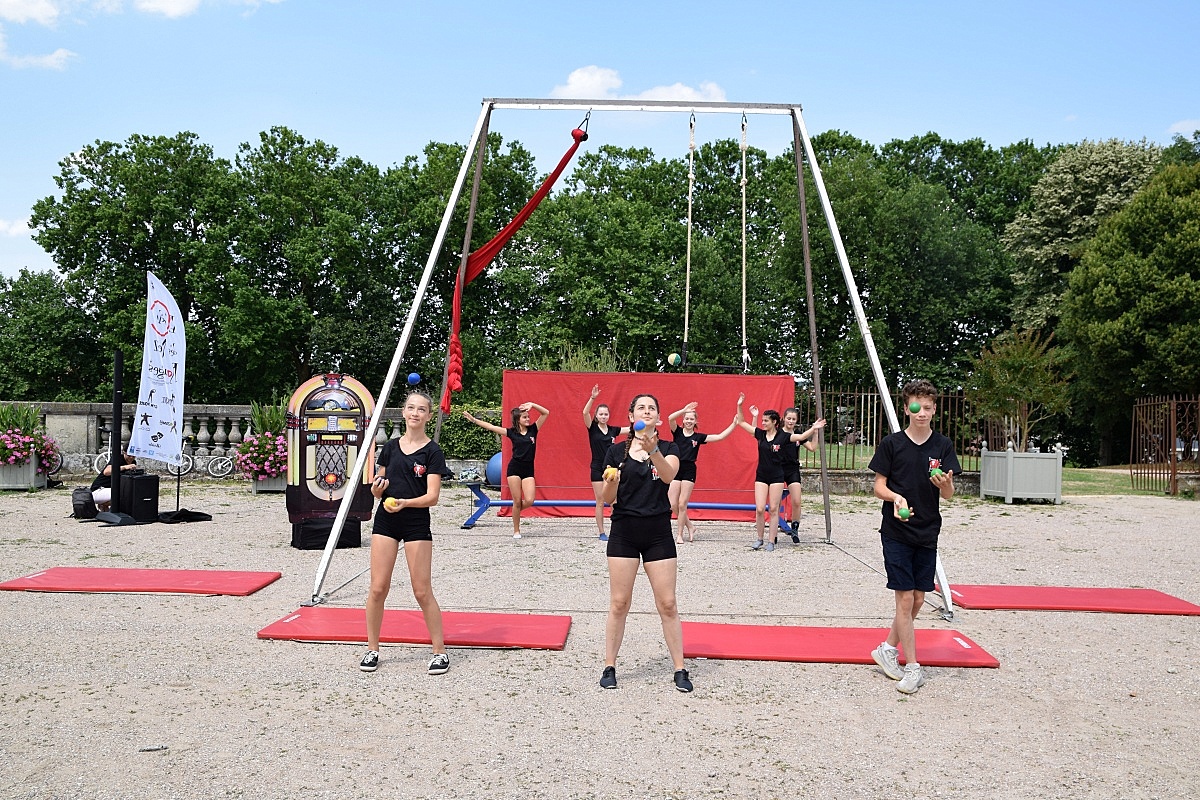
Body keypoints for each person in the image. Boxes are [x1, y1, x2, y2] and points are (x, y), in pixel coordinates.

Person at [867, 379, 961, 695]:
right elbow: (878, 486)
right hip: (896, 532)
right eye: (916, 407)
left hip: (928, 530)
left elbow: (948, 494)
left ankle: (887, 648)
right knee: (905, 599)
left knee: (919, 599)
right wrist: (895, 497)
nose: (922, 413)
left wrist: (945, 485)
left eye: (928, 407)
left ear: (934, 410)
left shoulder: (942, 446)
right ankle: (912, 667)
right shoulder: (892, 444)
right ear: (907, 409)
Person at [599, 393, 692, 693]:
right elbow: (607, 499)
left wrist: (653, 451)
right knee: (619, 603)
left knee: (668, 603)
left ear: (659, 418)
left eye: (652, 408)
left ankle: (680, 668)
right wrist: (611, 482)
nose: (647, 411)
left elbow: (668, 476)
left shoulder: (669, 448)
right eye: (641, 408)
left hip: (657, 533)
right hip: (624, 532)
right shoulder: (616, 451)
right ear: (631, 417)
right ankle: (610, 666)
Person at [360, 390, 453, 675]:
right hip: (386, 521)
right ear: (403, 412)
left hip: (415, 522)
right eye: (411, 408)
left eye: (421, 409)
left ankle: (440, 652)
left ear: (428, 415)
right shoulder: (389, 447)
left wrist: (405, 503)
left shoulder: (432, 452)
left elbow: (433, 496)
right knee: (378, 588)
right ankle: (372, 649)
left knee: (422, 590)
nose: (415, 413)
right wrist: (377, 490)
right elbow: (380, 485)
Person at [464, 401, 550, 539]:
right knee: (517, 501)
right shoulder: (512, 433)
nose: (528, 419)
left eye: (528, 417)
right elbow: (492, 427)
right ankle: (516, 530)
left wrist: (532, 405)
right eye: (524, 417)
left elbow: (546, 413)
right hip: (514, 469)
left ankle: (515, 510)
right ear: (518, 420)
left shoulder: (533, 429)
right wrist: (474, 420)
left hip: (528, 470)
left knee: (529, 500)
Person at [666, 401, 737, 544]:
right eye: (686, 418)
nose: (689, 421)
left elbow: (720, 436)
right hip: (676, 467)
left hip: (689, 470)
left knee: (682, 504)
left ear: (695, 421)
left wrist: (734, 423)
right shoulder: (677, 432)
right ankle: (690, 526)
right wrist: (684, 410)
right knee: (672, 504)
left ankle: (679, 535)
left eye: (691, 419)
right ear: (683, 420)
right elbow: (670, 418)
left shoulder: (698, 437)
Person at [734, 393, 787, 552]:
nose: (763, 423)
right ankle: (759, 538)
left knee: (773, 509)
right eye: (762, 420)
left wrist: (814, 430)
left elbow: (800, 437)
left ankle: (771, 541)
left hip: (777, 476)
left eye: (766, 421)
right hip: (761, 476)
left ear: (774, 422)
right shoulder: (760, 434)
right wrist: (740, 405)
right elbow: (741, 422)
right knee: (759, 508)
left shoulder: (782, 436)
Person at [582, 385, 629, 542]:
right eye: (601, 414)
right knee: (601, 501)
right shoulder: (592, 428)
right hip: (597, 468)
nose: (603, 416)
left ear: (609, 416)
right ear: (596, 416)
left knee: (614, 501)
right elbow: (584, 413)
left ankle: (618, 530)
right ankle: (602, 532)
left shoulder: (613, 430)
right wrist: (593, 398)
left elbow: (631, 429)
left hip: (611, 468)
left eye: (606, 414)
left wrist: (648, 423)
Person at [780, 407, 827, 542]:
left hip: (792, 470)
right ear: (784, 419)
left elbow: (812, 448)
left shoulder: (798, 433)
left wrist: (815, 432)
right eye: (789, 418)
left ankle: (795, 528)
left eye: (794, 419)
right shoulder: (778, 433)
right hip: (778, 469)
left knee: (796, 501)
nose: (791, 421)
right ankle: (775, 529)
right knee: (775, 501)